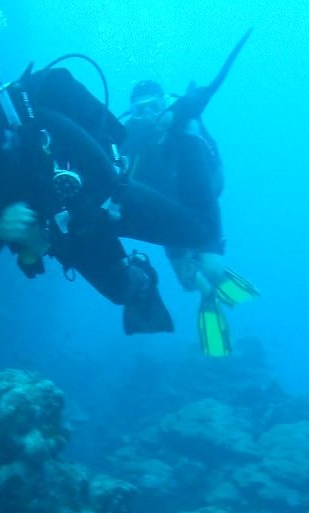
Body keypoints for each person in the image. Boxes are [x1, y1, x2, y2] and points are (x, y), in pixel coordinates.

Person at [0, 45, 222, 334]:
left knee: (203, 232)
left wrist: (82, 208)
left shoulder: (30, 114)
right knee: (121, 292)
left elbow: (106, 168)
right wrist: (0, 230)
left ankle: (187, 129)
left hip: (107, 200)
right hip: (66, 233)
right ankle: (142, 277)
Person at [120, 79, 258, 356]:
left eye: (154, 107)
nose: (147, 115)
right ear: (132, 113)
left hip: (199, 207)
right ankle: (210, 297)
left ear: (165, 105)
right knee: (187, 283)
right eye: (139, 110)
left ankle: (221, 283)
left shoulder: (182, 125)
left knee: (212, 270)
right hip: (164, 214)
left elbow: (213, 169)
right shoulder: (129, 138)